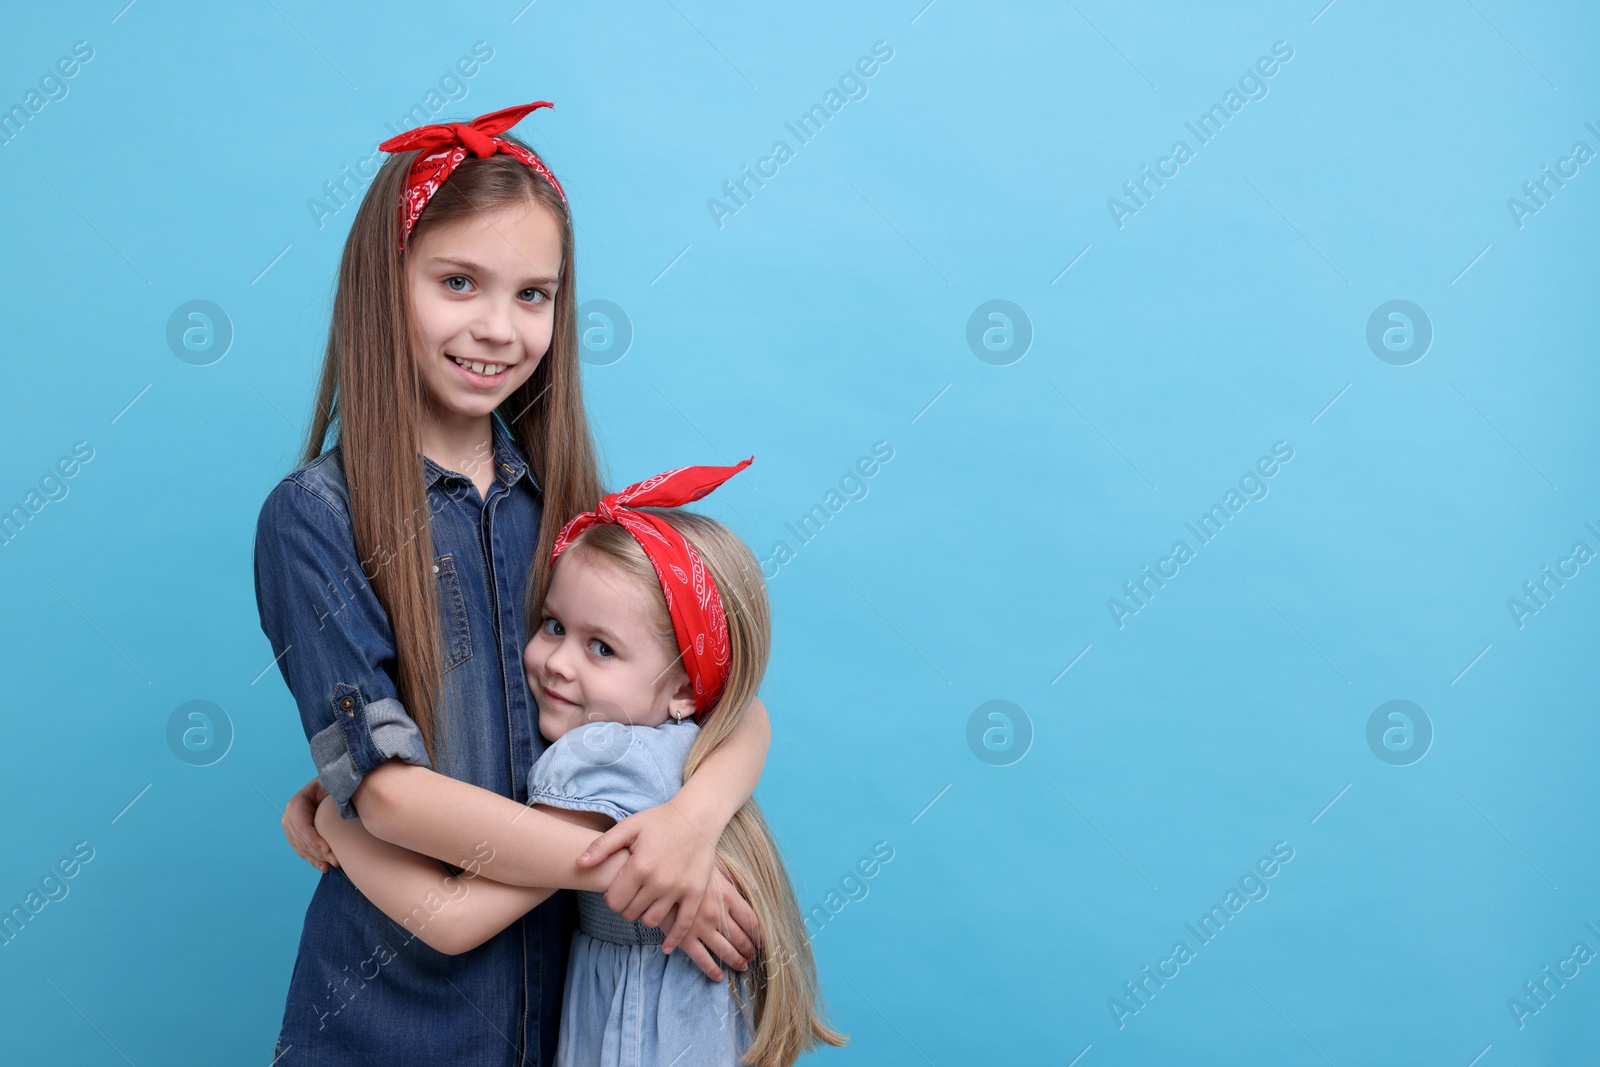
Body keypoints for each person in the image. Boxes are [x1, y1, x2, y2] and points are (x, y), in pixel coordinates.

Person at [253, 103, 769, 1065]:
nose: (499, 327)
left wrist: (688, 829)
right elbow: (397, 798)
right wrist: (633, 862)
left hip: (556, 1025)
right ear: (385, 283)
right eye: (459, 282)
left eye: (535, 294)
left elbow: (726, 702)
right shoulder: (316, 518)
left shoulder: (570, 509)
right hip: (386, 1024)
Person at [313, 459, 847, 1067]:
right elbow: (749, 711)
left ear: (684, 689)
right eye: (552, 625)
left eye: (602, 647)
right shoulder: (686, 740)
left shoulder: (601, 758)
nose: (559, 663)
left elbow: (453, 919)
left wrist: (336, 819)